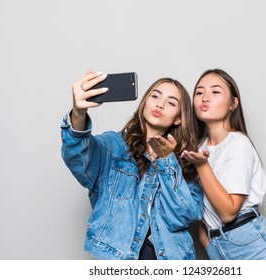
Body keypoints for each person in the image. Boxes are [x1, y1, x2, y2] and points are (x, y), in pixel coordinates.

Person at [61, 71, 203, 260]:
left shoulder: (185, 161)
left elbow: (185, 215)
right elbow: (78, 158)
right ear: (144, 102)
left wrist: (167, 161)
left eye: (171, 102)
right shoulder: (113, 146)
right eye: (155, 96)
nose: (160, 104)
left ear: (178, 118)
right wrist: (78, 114)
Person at [181, 69, 266, 260]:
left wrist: (202, 166)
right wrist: (207, 241)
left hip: (252, 247)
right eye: (199, 92)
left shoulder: (238, 144)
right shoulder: (198, 148)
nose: (205, 98)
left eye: (215, 92)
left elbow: (229, 212)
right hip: (220, 247)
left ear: (233, 104)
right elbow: (198, 204)